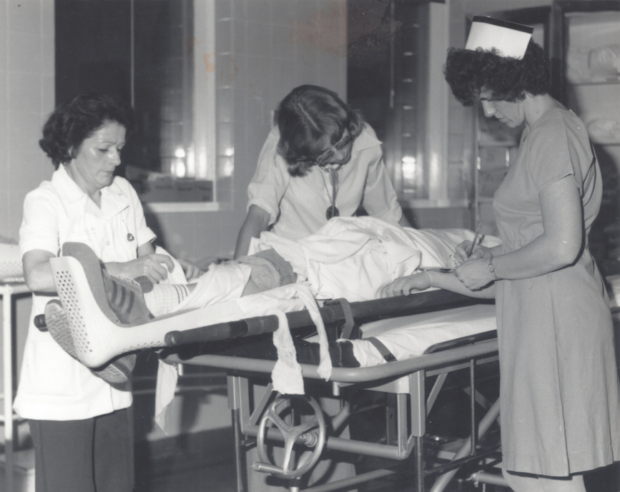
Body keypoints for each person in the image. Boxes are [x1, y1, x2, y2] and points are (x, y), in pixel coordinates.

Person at [381, 17, 620, 492]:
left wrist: (488, 263)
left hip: (555, 323)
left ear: (512, 82)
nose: (487, 111)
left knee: (544, 477)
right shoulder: (545, 132)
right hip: (542, 314)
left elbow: (560, 245)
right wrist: (436, 276)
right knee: (532, 472)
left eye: (488, 96)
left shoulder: (551, 134)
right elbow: (525, 256)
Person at [16, 93, 202, 492]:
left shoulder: (123, 195)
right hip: (61, 379)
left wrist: (173, 269)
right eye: (103, 149)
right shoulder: (46, 201)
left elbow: (147, 261)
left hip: (116, 371)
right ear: (69, 147)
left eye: (119, 148)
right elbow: (36, 274)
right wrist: (118, 269)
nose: (116, 160)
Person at [234, 84, 411, 258]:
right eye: (325, 155)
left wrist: (425, 257)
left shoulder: (365, 139)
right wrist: (238, 274)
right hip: (291, 257)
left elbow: (387, 214)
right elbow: (259, 215)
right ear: (304, 155)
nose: (342, 155)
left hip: (344, 255)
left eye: (343, 141)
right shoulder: (279, 146)